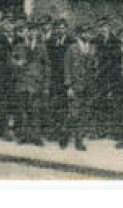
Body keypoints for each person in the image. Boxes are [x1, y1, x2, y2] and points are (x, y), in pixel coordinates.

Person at [62, 26, 100, 151]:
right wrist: (69, 86)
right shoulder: (72, 48)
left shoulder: (93, 48)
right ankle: (65, 134)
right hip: (75, 85)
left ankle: (79, 140)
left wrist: (94, 68)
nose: (87, 35)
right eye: (84, 33)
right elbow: (67, 68)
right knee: (74, 113)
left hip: (88, 86)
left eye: (89, 33)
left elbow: (95, 66)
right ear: (79, 34)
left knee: (84, 114)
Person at [46, 18, 73, 147]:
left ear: (66, 29)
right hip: (53, 80)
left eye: (63, 27)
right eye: (58, 28)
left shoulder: (71, 42)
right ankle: (54, 132)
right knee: (53, 106)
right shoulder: (49, 42)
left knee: (65, 107)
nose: (60, 30)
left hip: (66, 80)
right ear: (55, 30)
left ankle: (64, 135)